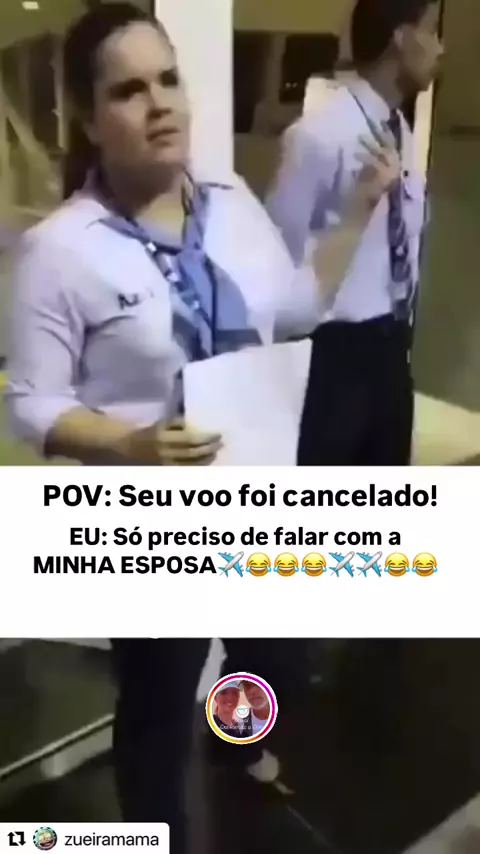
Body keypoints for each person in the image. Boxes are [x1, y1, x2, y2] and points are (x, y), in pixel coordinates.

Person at [3, 5, 412, 851]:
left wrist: (357, 212)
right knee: (158, 705)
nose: (159, 102)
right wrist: (129, 445)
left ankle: (235, 743)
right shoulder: (60, 251)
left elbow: (293, 306)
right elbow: (31, 404)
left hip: (254, 493)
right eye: (127, 90)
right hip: (151, 525)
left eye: (168, 80)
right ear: (89, 119)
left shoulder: (230, 206)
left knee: (277, 658)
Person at [267, 0, 444, 466]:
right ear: (401, 38)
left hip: (392, 348)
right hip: (334, 359)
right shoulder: (317, 135)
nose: (440, 48)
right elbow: (277, 258)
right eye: (431, 31)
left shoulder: (398, 127)